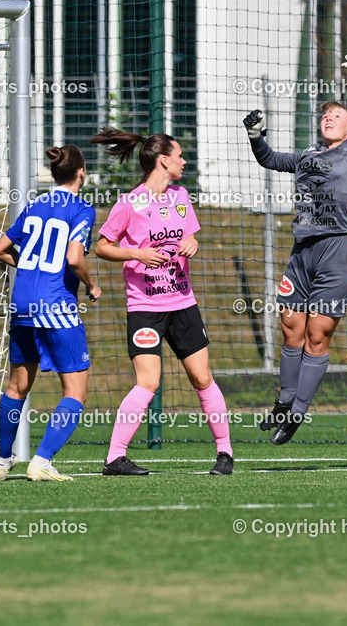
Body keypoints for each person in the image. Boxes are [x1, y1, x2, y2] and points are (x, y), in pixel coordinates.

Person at [244, 46, 347, 445]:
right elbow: (270, 159)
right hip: (303, 252)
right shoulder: (308, 155)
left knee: (317, 334)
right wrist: (256, 136)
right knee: (291, 326)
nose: (329, 116)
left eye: (338, 115)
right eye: (326, 114)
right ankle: (284, 399)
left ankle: (297, 412)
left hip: (340, 252)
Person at [92, 128, 233, 476]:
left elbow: (189, 236)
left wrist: (192, 244)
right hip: (145, 308)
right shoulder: (129, 203)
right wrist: (136, 252)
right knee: (149, 382)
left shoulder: (181, 195)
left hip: (183, 303)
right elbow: (102, 246)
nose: (184, 161)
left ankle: (225, 454)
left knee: (202, 378)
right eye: (180, 155)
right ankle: (115, 458)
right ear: (163, 160)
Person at [0, 145, 101, 482]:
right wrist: (92, 286)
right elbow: (74, 258)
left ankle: (1, 461)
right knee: (76, 391)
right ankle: (41, 461)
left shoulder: (35, 204)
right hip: (56, 304)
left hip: (22, 302)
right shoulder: (82, 209)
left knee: (17, 386)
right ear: (81, 172)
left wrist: (29, 268)